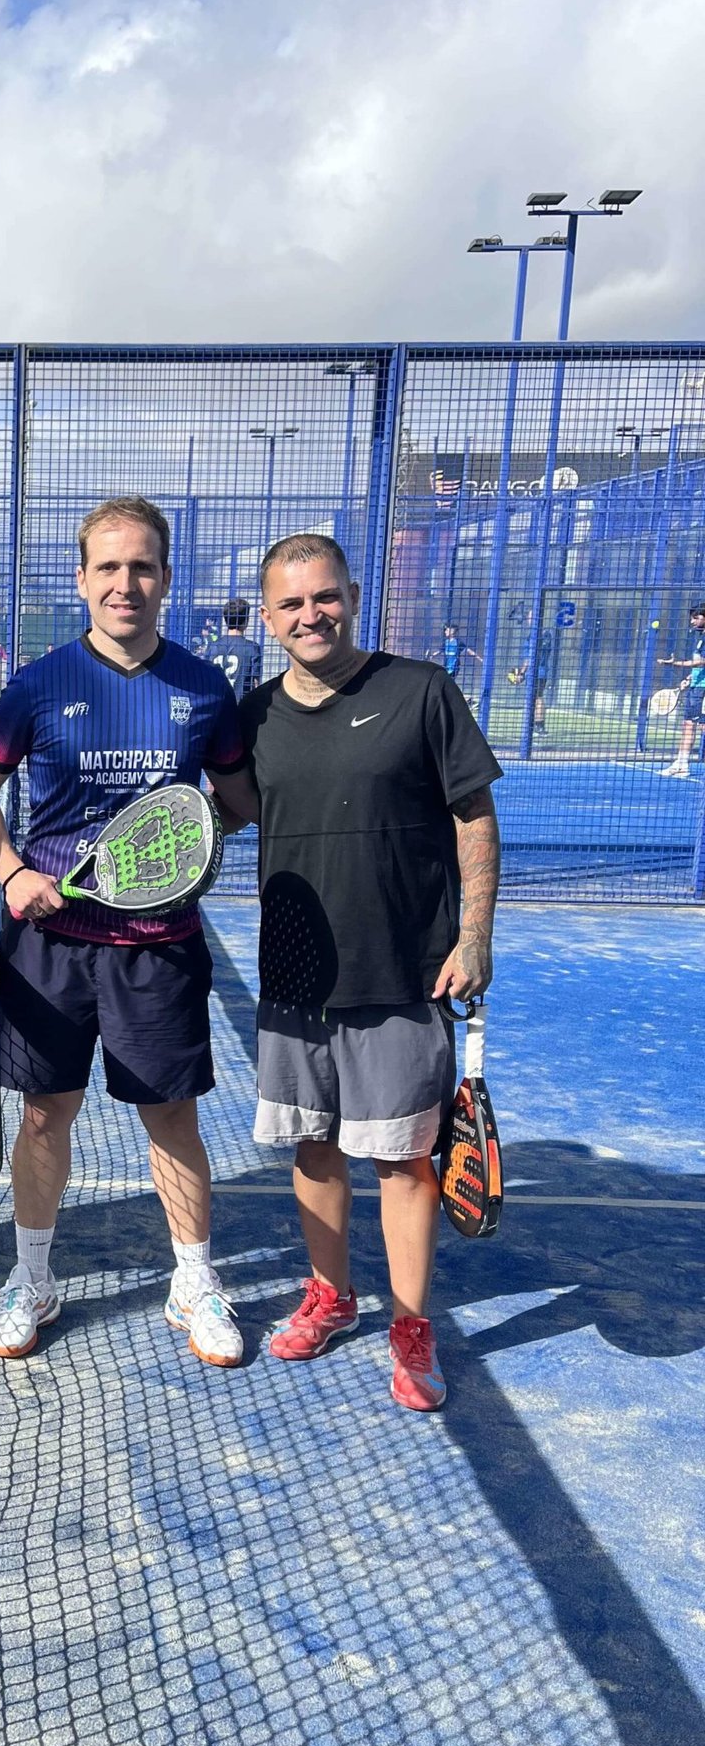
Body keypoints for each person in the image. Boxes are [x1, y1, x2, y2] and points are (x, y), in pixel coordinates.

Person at [0, 495, 257, 1368]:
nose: (127, 583)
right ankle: (34, 1277)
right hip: (48, 944)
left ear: (165, 578)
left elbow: (237, 800)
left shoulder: (203, 688)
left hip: (159, 946)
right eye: (110, 567)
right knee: (44, 1114)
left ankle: (193, 1279)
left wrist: (183, 842)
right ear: (82, 579)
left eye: (143, 567)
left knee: (172, 1115)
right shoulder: (38, 684)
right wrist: (12, 870)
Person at [239, 533, 501, 1413]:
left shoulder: (420, 691)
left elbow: (474, 815)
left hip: (404, 972)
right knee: (313, 1148)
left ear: (352, 596)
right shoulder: (254, 716)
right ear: (268, 617)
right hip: (294, 979)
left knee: (402, 1162)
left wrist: (474, 935)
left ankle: (412, 1327)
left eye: (325, 596)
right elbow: (222, 813)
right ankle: (331, 1293)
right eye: (291, 603)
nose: (311, 614)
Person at [658, 601, 705, 777]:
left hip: (703, 690)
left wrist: (676, 663)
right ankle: (681, 764)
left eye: (696, 617)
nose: (692, 621)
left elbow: (701, 662)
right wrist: (690, 678)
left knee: (702, 726)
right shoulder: (700, 637)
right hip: (696, 687)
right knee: (688, 724)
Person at [206, 599, 263, 697]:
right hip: (241, 702)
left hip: (217, 701)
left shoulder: (213, 646)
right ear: (246, 621)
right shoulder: (252, 647)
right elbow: (256, 683)